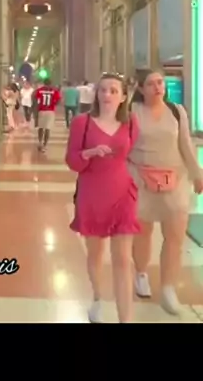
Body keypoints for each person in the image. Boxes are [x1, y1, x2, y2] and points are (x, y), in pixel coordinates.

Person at [128, 68, 203, 315]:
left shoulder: (176, 111)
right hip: (140, 180)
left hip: (174, 181)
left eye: (160, 82)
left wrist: (197, 173)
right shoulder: (132, 112)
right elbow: (122, 146)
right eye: (151, 84)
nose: (158, 87)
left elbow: (186, 145)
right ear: (141, 88)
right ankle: (141, 273)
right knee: (143, 232)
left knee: (175, 236)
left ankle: (169, 288)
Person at [66, 73, 139, 323]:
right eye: (103, 90)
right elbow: (72, 161)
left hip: (123, 193)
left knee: (123, 259)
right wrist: (89, 153)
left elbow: (130, 153)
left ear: (123, 97)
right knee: (95, 254)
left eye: (113, 91)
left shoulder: (131, 123)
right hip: (92, 194)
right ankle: (98, 296)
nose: (107, 95)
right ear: (96, 94)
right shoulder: (82, 123)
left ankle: (125, 319)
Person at [33, 77, 61, 152]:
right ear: (51, 83)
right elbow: (59, 100)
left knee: (41, 128)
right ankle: (45, 145)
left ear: (44, 83)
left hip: (42, 111)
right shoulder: (54, 91)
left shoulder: (39, 90)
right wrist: (54, 104)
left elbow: (35, 98)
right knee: (47, 129)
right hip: (50, 111)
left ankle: (40, 142)